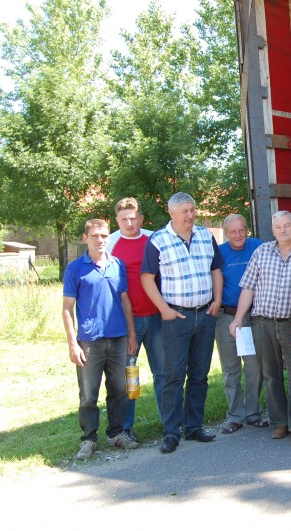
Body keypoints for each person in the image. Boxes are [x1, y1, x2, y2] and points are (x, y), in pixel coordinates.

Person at [141, 192, 224, 454]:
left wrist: (217, 300)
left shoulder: (205, 235)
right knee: (173, 376)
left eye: (193, 210)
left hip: (205, 314)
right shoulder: (158, 240)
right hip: (176, 317)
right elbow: (146, 277)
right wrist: (163, 309)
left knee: (199, 375)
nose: (190, 215)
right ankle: (171, 432)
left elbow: (215, 270)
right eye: (184, 211)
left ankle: (194, 426)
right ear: (172, 213)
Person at [230, 210, 291, 443]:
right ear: (273, 229)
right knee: (270, 374)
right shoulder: (261, 252)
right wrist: (239, 318)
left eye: (287, 226)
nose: (282, 230)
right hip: (263, 322)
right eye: (278, 227)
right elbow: (248, 288)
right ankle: (279, 422)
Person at [62, 219, 139, 459]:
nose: (100, 240)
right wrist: (72, 343)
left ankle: (116, 434)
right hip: (89, 341)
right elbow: (67, 308)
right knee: (88, 393)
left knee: (120, 389)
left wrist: (132, 334)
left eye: (104, 235)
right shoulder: (75, 268)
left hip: (118, 338)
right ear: (86, 238)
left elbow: (125, 301)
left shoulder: (118, 265)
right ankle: (89, 439)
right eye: (95, 236)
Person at [107, 197, 163, 442]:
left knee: (164, 373)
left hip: (158, 317)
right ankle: (126, 428)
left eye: (133, 218)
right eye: (123, 219)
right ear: (117, 220)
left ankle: (171, 424)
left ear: (141, 218)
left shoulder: (154, 239)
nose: (129, 223)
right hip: (129, 322)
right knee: (130, 375)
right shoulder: (110, 243)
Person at [214, 214, 264, 434]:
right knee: (230, 369)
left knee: (254, 367)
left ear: (247, 230)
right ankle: (235, 415)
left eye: (242, 230)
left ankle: (253, 413)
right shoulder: (220, 253)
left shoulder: (258, 247)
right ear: (226, 233)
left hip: (253, 317)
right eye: (233, 232)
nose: (238, 235)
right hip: (227, 317)